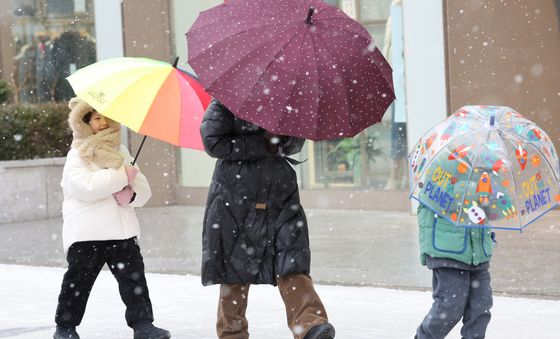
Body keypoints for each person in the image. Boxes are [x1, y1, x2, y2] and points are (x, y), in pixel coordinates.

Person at [200, 99, 335, 339]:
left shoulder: (288, 99)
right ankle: (232, 332)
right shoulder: (226, 100)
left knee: (291, 257)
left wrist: (281, 139)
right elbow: (213, 142)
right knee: (235, 266)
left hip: (279, 191)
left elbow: (296, 143)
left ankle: (309, 323)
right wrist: (261, 143)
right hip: (237, 192)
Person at [53, 97, 170, 339]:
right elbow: (84, 187)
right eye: (96, 118)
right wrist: (119, 178)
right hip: (88, 233)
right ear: (84, 122)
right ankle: (65, 327)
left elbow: (142, 187)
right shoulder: (78, 155)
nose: (103, 122)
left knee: (134, 280)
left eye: (106, 117)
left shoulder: (122, 152)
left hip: (122, 231)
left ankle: (142, 324)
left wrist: (132, 194)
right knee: (78, 282)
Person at [414, 153, 506, 339]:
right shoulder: (443, 162)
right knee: (449, 306)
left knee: (480, 308)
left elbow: (497, 209)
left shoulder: (487, 166)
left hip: (478, 253)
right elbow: (442, 198)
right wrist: (478, 188)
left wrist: (496, 194)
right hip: (448, 252)